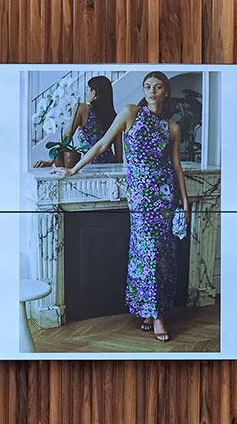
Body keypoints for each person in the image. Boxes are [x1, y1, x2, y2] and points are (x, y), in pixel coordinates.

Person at [58, 70, 190, 342]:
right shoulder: (130, 112)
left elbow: (176, 167)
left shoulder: (172, 128)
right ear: (143, 91)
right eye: (147, 86)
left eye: (158, 87)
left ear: (166, 92)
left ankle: (155, 314)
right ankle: (151, 312)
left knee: (160, 255)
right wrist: (74, 170)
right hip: (140, 196)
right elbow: (102, 143)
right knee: (144, 253)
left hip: (165, 196)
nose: (152, 91)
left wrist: (186, 203)